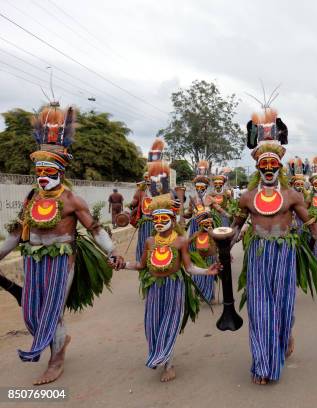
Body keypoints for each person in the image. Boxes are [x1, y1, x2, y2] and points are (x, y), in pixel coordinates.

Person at [0, 102, 123, 385]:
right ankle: (60, 340)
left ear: (61, 171)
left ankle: (55, 361)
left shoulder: (71, 201)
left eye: (48, 170)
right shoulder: (32, 198)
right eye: (39, 170)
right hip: (33, 259)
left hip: (61, 261)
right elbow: (17, 233)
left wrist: (112, 251)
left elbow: (94, 228)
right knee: (31, 313)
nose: (42, 175)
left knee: (52, 312)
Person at [231, 107, 317, 384]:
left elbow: (311, 222)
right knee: (259, 309)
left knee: (283, 306)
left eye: (272, 165)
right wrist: (223, 243)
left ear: (279, 166)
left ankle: (286, 335)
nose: (267, 169)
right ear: (257, 167)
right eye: (263, 166)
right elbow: (235, 228)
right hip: (258, 253)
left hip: (285, 254)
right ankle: (264, 363)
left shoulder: (292, 195)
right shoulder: (246, 197)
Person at [118, 194, 220, 382]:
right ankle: (158, 353)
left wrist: (207, 271)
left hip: (175, 286)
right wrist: (122, 265)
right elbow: (141, 266)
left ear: (172, 221)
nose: (159, 222)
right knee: (152, 324)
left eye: (163, 218)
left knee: (169, 324)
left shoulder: (181, 241)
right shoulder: (149, 241)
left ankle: (168, 364)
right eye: (155, 219)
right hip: (154, 287)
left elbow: (188, 267)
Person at [184, 160, 215, 302]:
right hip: (195, 230)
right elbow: (189, 214)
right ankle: (198, 289)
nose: (200, 189)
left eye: (202, 186)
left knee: (208, 256)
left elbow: (218, 212)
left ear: (206, 187)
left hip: (208, 229)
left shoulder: (210, 198)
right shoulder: (192, 200)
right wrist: (179, 215)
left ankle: (209, 292)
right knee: (195, 256)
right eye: (197, 186)